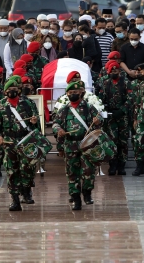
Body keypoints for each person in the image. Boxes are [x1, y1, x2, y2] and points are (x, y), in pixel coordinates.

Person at [53, 80, 103, 210]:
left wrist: (97, 121)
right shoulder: (64, 110)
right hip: (70, 145)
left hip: (87, 144)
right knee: (72, 173)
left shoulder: (89, 108)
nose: (72, 94)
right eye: (70, 92)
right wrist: (59, 130)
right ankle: (76, 199)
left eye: (75, 92)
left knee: (88, 171)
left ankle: (87, 193)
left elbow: (100, 121)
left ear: (81, 93)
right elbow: (55, 123)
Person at [0, 76, 40, 211]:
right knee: (11, 171)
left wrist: (34, 122)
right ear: (5, 91)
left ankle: (26, 192)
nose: (12, 91)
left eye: (15, 89)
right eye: (9, 89)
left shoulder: (28, 103)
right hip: (9, 142)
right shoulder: (1, 105)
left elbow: (37, 122)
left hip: (26, 140)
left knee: (27, 169)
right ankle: (14, 200)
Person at [97, 61, 131, 175]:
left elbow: (130, 98)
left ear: (119, 71)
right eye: (112, 70)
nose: (114, 72)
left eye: (116, 70)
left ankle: (122, 166)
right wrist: (105, 110)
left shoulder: (125, 82)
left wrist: (123, 110)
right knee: (112, 141)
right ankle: (112, 165)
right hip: (110, 117)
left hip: (123, 116)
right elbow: (100, 99)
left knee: (123, 141)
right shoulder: (105, 83)